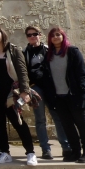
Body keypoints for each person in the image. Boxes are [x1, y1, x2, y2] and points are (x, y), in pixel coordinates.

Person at [0, 25, 38, 166]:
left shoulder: (14, 50)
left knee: (18, 123)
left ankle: (30, 152)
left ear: (2, 34)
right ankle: (5, 152)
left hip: (11, 94)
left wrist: (25, 91)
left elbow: (22, 72)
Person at [44, 27, 85, 163]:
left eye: (58, 34)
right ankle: (75, 152)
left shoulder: (72, 52)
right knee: (68, 126)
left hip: (75, 95)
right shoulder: (49, 55)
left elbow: (81, 73)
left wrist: (82, 92)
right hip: (59, 97)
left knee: (81, 124)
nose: (55, 37)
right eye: (52, 36)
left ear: (63, 36)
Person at [23, 26, 71, 160]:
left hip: (51, 88)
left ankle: (66, 146)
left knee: (58, 117)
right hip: (35, 87)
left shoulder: (48, 50)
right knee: (40, 119)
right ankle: (45, 149)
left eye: (35, 34)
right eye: (29, 35)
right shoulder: (25, 52)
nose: (32, 36)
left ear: (40, 35)